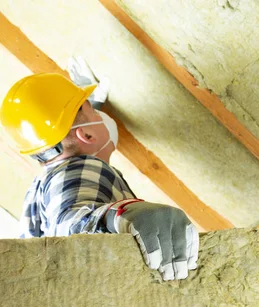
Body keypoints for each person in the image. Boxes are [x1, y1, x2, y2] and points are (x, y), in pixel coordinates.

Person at [0, 59, 199, 281]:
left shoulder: (41, 185)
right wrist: (118, 215)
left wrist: (87, 111)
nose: (98, 117)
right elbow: (69, 227)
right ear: (85, 135)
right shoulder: (80, 168)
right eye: (92, 112)